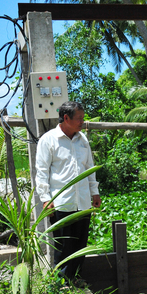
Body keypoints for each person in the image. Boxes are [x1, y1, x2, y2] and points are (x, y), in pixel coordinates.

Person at [35, 100, 101, 284]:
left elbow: (90, 167)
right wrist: (46, 199)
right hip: (61, 203)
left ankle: (76, 279)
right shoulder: (48, 140)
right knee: (63, 245)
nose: (82, 121)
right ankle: (61, 284)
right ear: (66, 118)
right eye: (79, 118)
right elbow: (42, 172)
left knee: (80, 244)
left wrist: (94, 192)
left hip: (83, 201)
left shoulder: (83, 140)